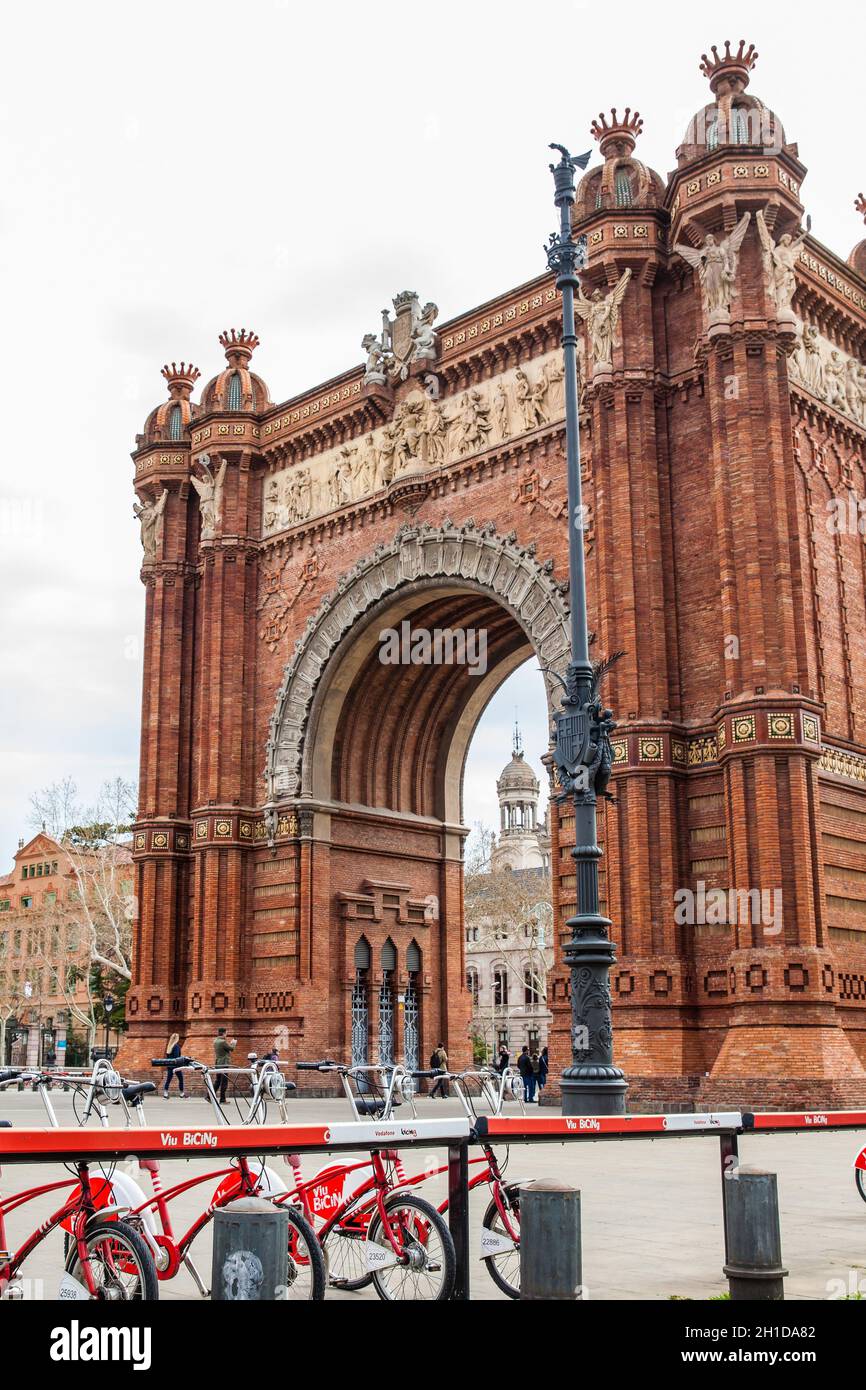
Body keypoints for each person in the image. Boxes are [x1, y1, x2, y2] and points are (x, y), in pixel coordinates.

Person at [213, 1027, 236, 1105]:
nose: (226, 1034)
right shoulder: (223, 1042)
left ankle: (209, 1096)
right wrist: (233, 1043)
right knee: (224, 1082)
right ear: (223, 1033)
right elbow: (231, 1049)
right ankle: (222, 1099)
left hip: (218, 1063)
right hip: (224, 1064)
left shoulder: (215, 1041)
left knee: (218, 1081)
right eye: (226, 1033)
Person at [163, 1032, 185, 1098]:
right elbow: (177, 1057)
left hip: (170, 1065)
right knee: (181, 1079)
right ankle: (181, 1093)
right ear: (176, 1039)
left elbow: (168, 1056)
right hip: (176, 1066)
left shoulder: (169, 1046)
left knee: (168, 1080)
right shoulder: (176, 1046)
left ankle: (165, 1093)